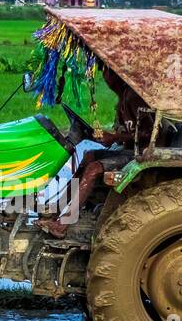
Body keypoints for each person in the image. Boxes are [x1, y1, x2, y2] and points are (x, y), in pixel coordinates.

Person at [36, 65, 157, 238]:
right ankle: (58, 209)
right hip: (128, 150)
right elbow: (125, 131)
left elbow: (150, 133)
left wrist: (114, 137)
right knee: (88, 156)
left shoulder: (133, 98)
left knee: (93, 168)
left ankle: (63, 224)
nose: (105, 76)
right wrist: (105, 136)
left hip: (140, 155)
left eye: (108, 71)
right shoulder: (123, 99)